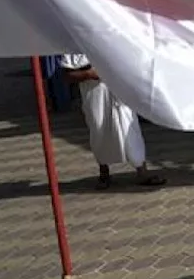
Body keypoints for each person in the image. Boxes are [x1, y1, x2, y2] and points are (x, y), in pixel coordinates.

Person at [60, 53, 165, 190]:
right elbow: (67, 76)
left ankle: (142, 171)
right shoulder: (75, 47)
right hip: (95, 95)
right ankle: (104, 174)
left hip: (119, 92)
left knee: (130, 127)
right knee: (99, 129)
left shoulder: (112, 37)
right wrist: (89, 74)